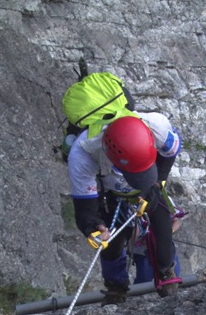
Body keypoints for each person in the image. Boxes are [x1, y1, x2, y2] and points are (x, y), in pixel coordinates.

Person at [67, 107, 184, 303]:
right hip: (112, 191)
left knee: (162, 233)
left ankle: (166, 272)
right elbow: (85, 209)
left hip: (149, 187)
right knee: (112, 241)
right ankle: (116, 287)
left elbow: (170, 153)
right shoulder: (83, 155)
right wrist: (94, 227)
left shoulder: (157, 126)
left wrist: (157, 183)